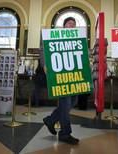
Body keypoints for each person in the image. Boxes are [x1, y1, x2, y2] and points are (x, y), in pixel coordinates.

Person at [42, 17, 79, 145]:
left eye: (74, 24)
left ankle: (51, 120)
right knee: (66, 102)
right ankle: (65, 134)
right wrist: (44, 64)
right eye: (69, 23)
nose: (72, 25)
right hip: (60, 76)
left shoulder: (76, 39)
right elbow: (44, 49)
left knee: (73, 101)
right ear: (64, 26)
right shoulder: (55, 35)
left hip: (73, 76)